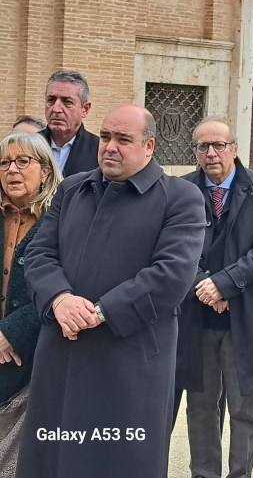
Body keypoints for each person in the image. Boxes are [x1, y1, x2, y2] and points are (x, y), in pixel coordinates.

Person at [18, 105, 206, 478]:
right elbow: (39, 253)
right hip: (62, 353)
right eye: (105, 136)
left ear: (149, 146)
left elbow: (172, 274)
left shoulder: (181, 198)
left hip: (130, 362)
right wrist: (60, 299)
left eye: (123, 139)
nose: (110, 147)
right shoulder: (73, 188)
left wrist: (100, 312)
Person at [175, 117, 253, 478]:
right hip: (198, 316)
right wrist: (204, 286)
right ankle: (204, 473)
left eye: (219, 145)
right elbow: (174, 248)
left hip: (247, 315)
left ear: (235, 149)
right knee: (200, 406)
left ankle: (240, 473)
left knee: (244, 407)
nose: (211, 153)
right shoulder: (181, 190)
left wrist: (224, 284)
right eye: (203, 146)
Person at [0, 133, 61, 477]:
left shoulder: (60, 221)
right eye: (5, 162)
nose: (12, 170)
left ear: (46, 171)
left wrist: (12, 332)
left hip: (35, 356)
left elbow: (65, 286)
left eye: (23, 161)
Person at [40, 69, 100, 176]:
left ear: (85, 109)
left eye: (67, 102)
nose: (56, 109)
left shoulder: (99, 151)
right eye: (51, 100)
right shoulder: (28, 146)